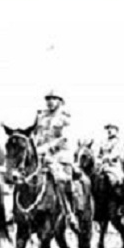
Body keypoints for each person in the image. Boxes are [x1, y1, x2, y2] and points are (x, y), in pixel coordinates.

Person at [30, 90, 80, 230]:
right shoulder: (41, 116)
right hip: (40, 154)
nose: (50, 102)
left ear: (60, 101)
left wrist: (47, 150)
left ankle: (70, 212)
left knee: (60, 180)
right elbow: (35, 134)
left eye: (53, 99)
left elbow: (64, 138)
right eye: (48, 99)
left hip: (59, 156)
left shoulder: (64, 117)